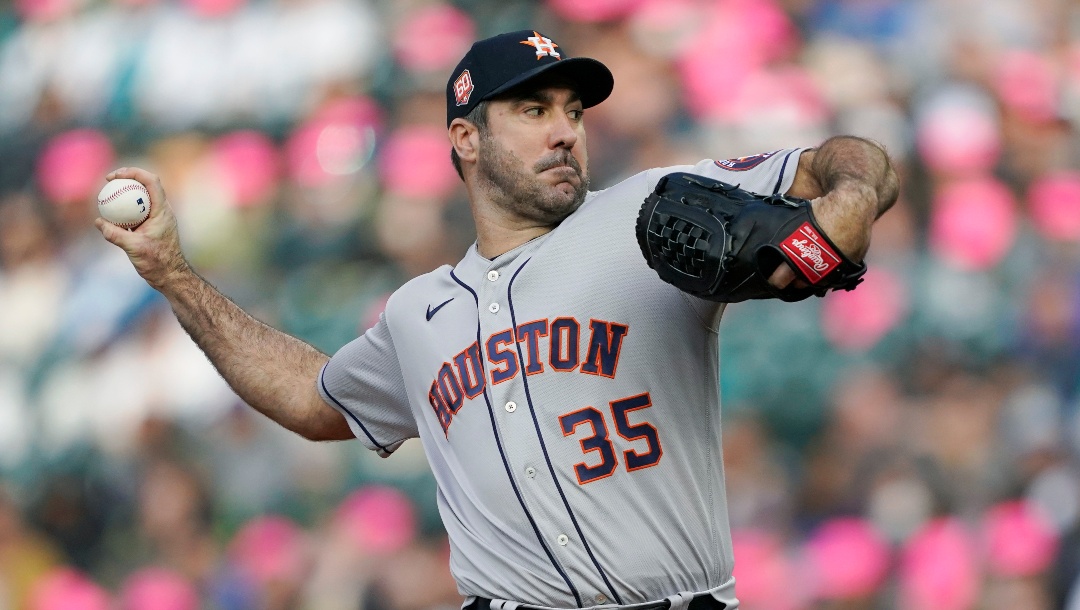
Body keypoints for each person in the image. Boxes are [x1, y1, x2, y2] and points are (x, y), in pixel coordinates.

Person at [96, 29, 898, 610]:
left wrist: (852, 198)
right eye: (532, 109)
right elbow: (313, 401)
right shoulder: (418, 314)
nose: (564, 130)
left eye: (573, 111)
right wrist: (172, 274)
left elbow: (842, 159)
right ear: (465, 139)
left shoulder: (646, 210)